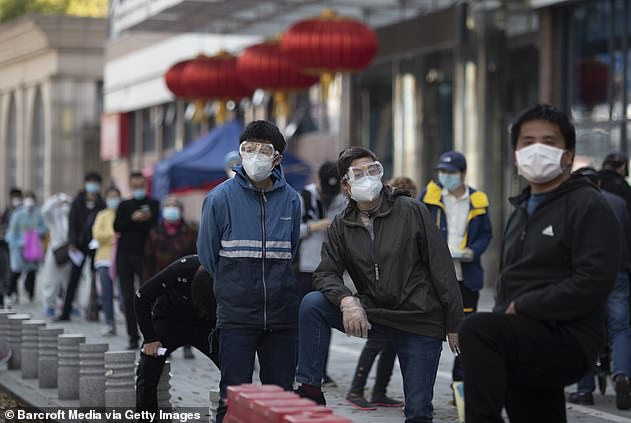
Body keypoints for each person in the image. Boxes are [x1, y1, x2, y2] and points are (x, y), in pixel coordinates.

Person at [459, 104, 620, 423]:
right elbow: (509, 280)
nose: (537, 150)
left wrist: (525, 306)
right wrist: (508, 313)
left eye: (548, 142)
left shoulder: (588, 204)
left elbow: (595, 279)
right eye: (527, 142)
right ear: (515, 153)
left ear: (568, 155)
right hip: (522, 334)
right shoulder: (520, 210)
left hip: (567, 336)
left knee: (476, 329)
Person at [294, 147, 464, 423]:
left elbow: (442, 268)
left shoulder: (412, 211)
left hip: (419, 319)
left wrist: (455, 323)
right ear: (346, 186)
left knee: (419, 411)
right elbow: (325, 273)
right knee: (312, 304)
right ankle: (310, 388)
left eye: (373, 170)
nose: (368, 178)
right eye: (358, 174)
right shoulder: (341, 225)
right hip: (376, 314)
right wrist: (347, 301)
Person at [197, 120, 301, 423]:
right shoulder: (219, 198)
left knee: (280, 399)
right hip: (237, 315)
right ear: (240, 154)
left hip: (282, 315)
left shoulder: (292, 199)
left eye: (264, 150)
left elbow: (291, 250)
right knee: (234, 398)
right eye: (249, 149)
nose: (256, 155)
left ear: (277, 158)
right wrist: (235, 285)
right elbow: (207, 254)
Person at [345, 175, 417, 410]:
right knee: (376, 343)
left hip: (398, 296)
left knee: (389, 345)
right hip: (377, 294)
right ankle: (356, 390)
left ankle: (379, 391)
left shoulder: (404, 217)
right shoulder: (381, 219)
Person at [420, 151, 492, 384]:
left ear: (462, 174)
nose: (445, 176)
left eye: (450, 172)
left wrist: (474, 250)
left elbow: (485, 233)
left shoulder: (478, 200)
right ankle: (422, 384)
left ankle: (459, 385)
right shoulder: (429, 196)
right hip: (435, 276)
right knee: (430, 329)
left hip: (466, 274)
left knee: (466, 330)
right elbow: (418, 229)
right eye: (442, 172)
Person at [567, 167, 631, 410]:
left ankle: (585, 390)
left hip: (586, 274)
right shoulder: (619, 202)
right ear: (600, 184)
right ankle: (622, 375)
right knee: (621, 328)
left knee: (585, 326)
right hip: (618, 272)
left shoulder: (573, 203)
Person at [135, 255, 219, 419]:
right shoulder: (180, 270)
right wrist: (150, 338)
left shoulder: (227, 273)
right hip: (169, 323)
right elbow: (141, 296)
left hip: (205, 326)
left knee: (233, 366)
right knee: (147, 367)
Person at [297, 161, 347, 387]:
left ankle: (321, 372)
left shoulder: (343, 200)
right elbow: (287, 231)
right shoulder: (303, 198)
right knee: (302, 321)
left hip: (330, 270)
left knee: (325, 321)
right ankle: (301, 369)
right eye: (326, 191)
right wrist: (313, 227)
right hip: (304, 270)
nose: (329, 196)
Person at [144, 195, 198, 359]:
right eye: (168, 206)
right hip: (161, 279)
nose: (171, 209)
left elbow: (196, 256)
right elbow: (148, 258)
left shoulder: (190, 232)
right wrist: (147, 282)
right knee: (162, 315)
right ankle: (164, 345)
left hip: (185, 281)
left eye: (174, 206)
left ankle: (188, 345)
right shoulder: (155, 232)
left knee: (187, 314)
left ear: (180, 211)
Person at [114, 172, 160, 350]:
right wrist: (132, 219)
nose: (138, 189)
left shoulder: (153, 204)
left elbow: (155, 224)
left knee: (148, 295)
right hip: (125, 254)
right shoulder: (124, 205)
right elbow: (117, 227)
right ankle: (132, 336)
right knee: (127, 296)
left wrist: (145, 219)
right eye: (135, 186)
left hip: (145, 255)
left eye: (141, 186)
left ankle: (151, 334)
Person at [55, 173, 105, 321]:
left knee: (95, 280)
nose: (92, 185)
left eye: (95, 182)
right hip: (79, 245)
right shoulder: (77, 201)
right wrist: (71, 243)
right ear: (85, 183)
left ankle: (93, 310)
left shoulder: (102, 203)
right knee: (73, 279)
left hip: (95, 245)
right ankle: (66, 312)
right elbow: (72, 224)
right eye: (90, 182)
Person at [5, 191, 47, 304]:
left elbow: (44, 228)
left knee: (32, 271)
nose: (30, 202)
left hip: (32, 246)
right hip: (19, 247)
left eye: (31, 199)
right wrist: (13, 245)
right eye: (27, 199)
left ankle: (30, 293)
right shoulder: (18, 214)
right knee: (16, 271)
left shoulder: (38, 214)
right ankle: (10, 292)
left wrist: (36, 233)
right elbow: (12, 231)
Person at [92, 187, 121, 336]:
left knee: (123, 294)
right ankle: (110, 323)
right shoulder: (102, 215)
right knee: (106, 293)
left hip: (121, 258)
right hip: (104, 258)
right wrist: (114, 237)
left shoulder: (123, 214)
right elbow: (97, 234)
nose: (113, 199)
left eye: (116, 196)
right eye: (110, 196)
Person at [39, 193, 73, 316]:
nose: (64, 206)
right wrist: (56, 198)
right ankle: (49, 305)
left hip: (69, 249)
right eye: (62, 204)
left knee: (69, 279)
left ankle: (70, 304)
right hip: (55, 249)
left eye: (66, 204)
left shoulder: (72, 216)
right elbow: (45, 210)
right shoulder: (53, 217)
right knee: (51, 279)